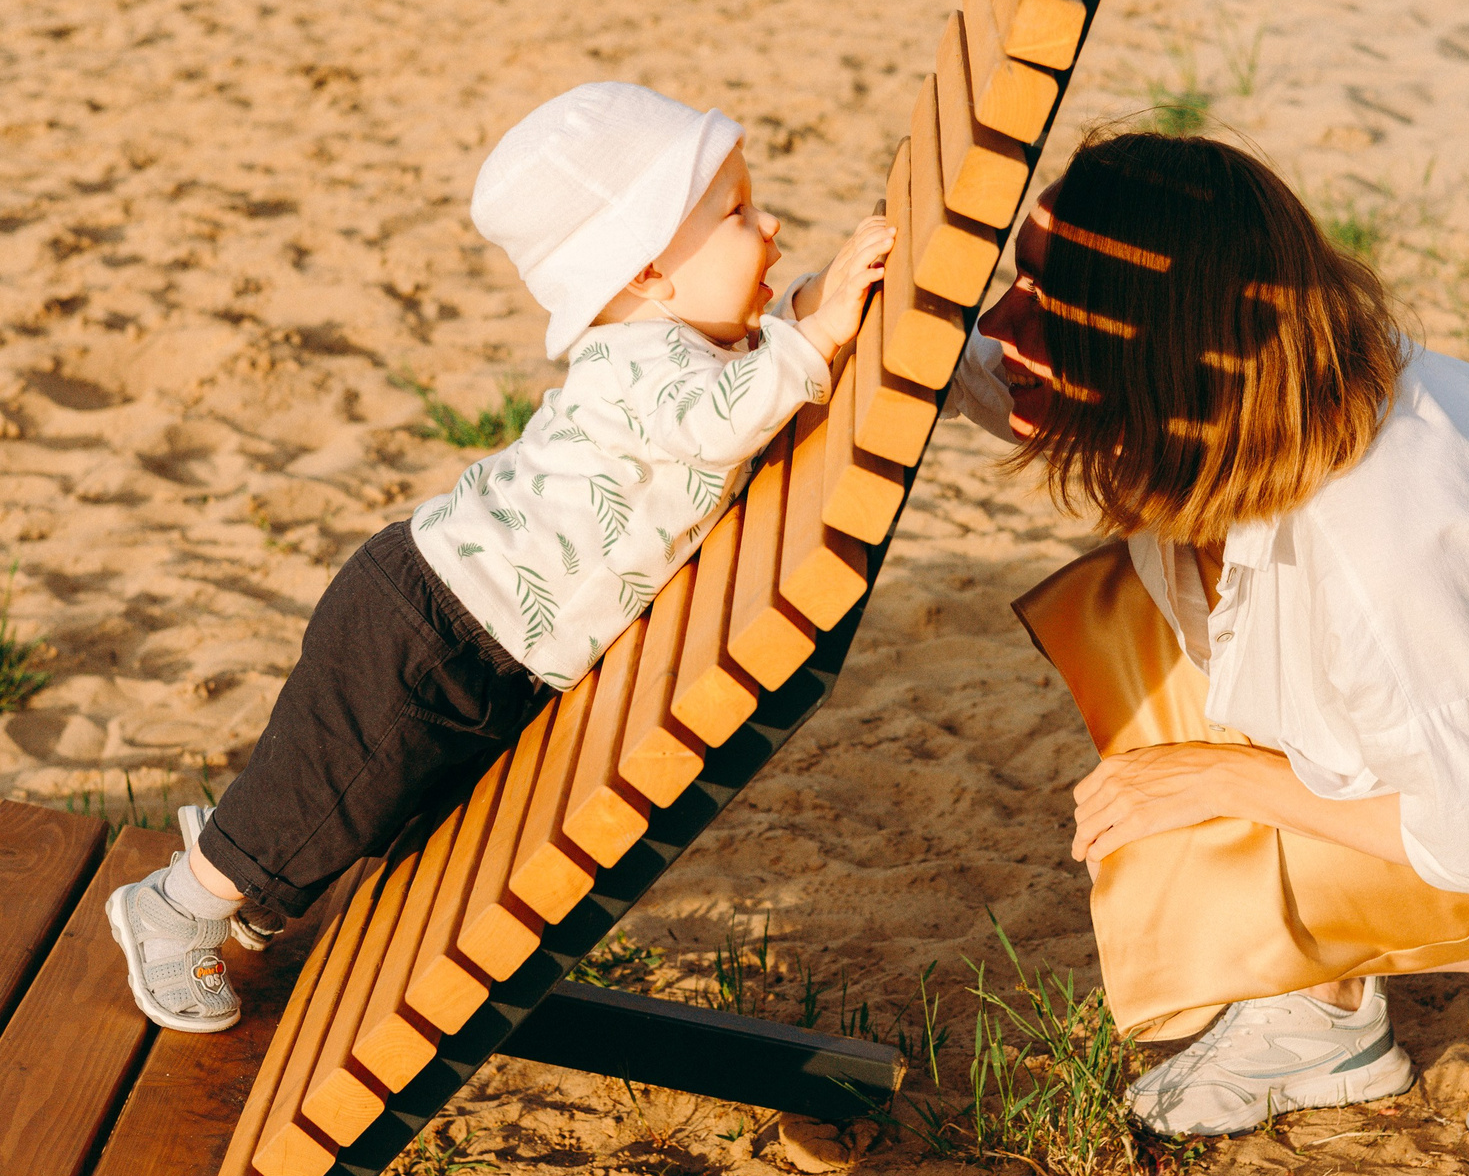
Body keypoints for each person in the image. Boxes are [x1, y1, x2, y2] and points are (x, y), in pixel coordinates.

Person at [948, 130, 1469, 1145]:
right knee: (1130, 630)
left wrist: (1222, 782)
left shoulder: (1388, 542)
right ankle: (1318, 1017)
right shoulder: (1276, 386)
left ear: (1149, 350)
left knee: (1188, 853)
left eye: (1045, 301)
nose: (1001, 319)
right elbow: (1013, 385)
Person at [106, 82, 892, 1032]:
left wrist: (812, 303)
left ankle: (268, 861)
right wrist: (816, 331)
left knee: (360, 791)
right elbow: (722, 413)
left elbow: (746, 366)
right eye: (736, 213)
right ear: (647, 271)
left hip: (477, 636)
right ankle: (173, 907)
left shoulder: (680, 341)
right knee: (340, 778)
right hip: (433, 628)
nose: (769, 224)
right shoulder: (640, 368)